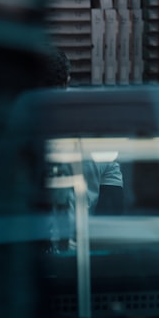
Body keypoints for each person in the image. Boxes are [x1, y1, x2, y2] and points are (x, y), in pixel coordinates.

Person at [37, 47, 124, 215]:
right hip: (82, 233)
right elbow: (113, 204)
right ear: (67, 81)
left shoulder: (12, 124)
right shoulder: (96, 122)